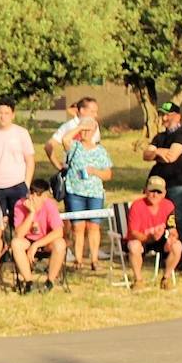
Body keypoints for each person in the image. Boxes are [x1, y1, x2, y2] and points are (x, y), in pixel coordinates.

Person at [142, 101, 182, 256]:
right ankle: (163, 252)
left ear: (178, 116)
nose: (164, 118)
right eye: (162, 115)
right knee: (160, 220)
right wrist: (158, 151)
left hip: (178, 185)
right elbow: (146, 155)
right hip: (159, 187)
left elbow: (172, 156)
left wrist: (156, 153)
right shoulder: (160, 136)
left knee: (178, 220)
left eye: (167, 115)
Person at [61, 116, 112, 271]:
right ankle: (78, 259)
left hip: (94, 193)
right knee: (78, 226)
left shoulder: (100, 151)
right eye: (83, 130)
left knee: (93, 226)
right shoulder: (74, 146)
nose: (85, 133)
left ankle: (94, 259)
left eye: (89, 130)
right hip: (75, 191)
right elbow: (65, 139)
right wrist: (80, 127)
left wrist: (95, 171)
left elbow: (108, 174)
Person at [125, 176, 182, 291]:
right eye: (152, 191)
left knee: (177, 246)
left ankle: (166, 278)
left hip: (160, 239)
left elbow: (172, 228)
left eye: (158, 192)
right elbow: (133, 232)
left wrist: (172, 237)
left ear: (164, 193)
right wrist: (149, 237)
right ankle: (138, 280)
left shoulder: (168, 205)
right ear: (145, 190)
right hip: (141, 239)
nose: (155, 195)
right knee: (134, 246)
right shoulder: (137, 206)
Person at [10, 178, 65, 294]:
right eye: (31, 193)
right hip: (27, 240)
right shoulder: (20, 204)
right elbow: (19, 234)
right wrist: (31, 213)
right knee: (15, 243)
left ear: (45, 196)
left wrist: (36, 245)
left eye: (37, 195)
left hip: (45, 240)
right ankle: (28, 282)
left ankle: (50, 282)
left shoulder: (50, 206)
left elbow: (59, 232)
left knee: (60, 244)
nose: (33, 197)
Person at [46, 96, 100, 171]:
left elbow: (96, 147)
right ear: (82, 110)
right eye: (92, 111)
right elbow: (49, 145)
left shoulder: (94, 125)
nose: (95, 115)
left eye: (96, 112)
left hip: (91, 171)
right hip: (72, 171)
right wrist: (59, 166)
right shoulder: (69, 126)